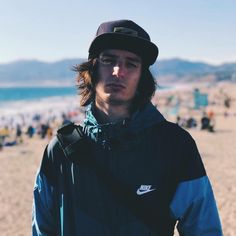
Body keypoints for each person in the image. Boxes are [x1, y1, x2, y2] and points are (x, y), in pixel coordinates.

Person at [32, 19, 222, 235]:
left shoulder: (175, 145)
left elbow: (204, 229)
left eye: (131, 63)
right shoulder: (60, 151)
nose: (118, 71)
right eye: (108, 60)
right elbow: (42, 229)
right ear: (92, 70)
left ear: (142, 77)